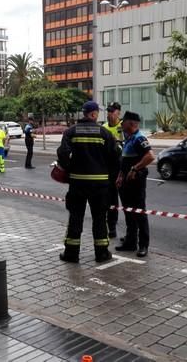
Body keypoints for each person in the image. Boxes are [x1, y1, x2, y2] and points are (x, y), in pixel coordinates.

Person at [57, 101, 119, 263]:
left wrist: (70, 170)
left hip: (77, 184)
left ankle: (71, 253)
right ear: (93, 114)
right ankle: (102, 253)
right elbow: (115, 157)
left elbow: (63, 155)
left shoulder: (70, 132)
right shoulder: (104, 133)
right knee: (99, 218)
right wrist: (109, 177)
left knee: (75, 218)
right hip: (100, 185)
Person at [115, 111, 155, 257]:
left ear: (131, 123)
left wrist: (135, 168)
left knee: (139, 213)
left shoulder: (139, 139)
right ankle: (130, 242)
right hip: (125, 184)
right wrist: (120, 175)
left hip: (136, 183)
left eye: (123, 121)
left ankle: (143, 245)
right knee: (129, 213)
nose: (121, 123)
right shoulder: (129, 139)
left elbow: (150, 156)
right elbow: (124, 161)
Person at [103, 102, 123, 240]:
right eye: (109, 111)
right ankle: (112, 227)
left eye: (113, 111)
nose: (110, 114)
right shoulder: (103, 127)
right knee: (111, 199)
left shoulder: (123, 127)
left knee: (129, 203)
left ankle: (131, 234)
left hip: (121, 168)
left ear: (118, 113)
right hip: (107, 169)